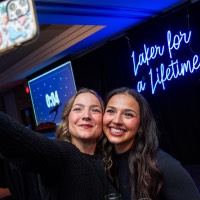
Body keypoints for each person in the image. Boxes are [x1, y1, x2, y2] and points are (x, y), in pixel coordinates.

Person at [0, 88, 117, 200]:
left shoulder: (109, 160)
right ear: (67, 119)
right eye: (77, 109)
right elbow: (15, 136)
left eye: (95, 110)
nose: (86, 115)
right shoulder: (63, 154)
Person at [103, 87, 200, 200]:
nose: (116, 120)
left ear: (141, 125)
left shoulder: (164, 165)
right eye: (111, 111)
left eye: (128, 114)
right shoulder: (105, 161)